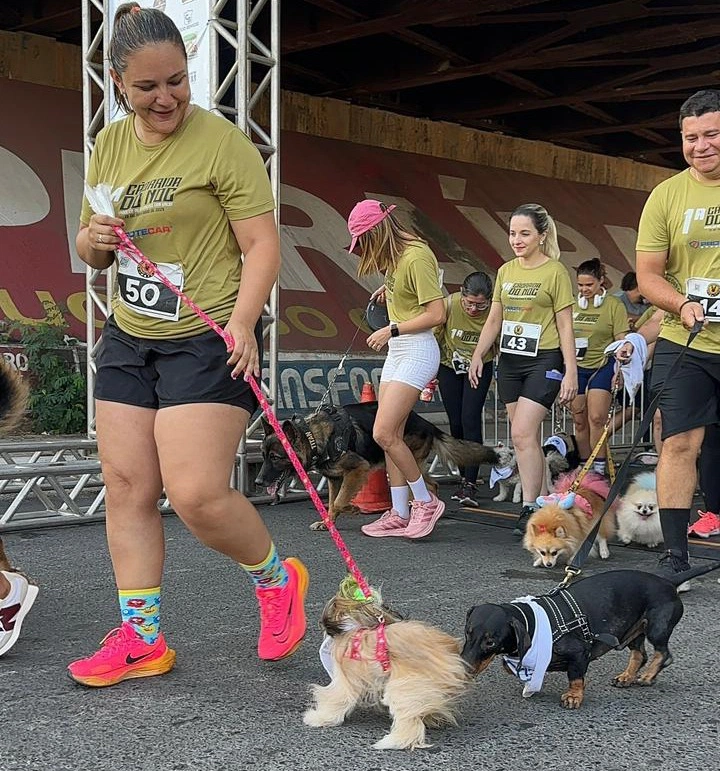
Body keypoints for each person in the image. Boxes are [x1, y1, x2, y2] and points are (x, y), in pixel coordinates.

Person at [67, 3, 307, 687]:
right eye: (147, 87)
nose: (166, 97)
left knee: (198, 492)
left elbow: (261, 243)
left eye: (176, 80)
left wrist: (244, 321)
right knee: (127, 485)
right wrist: (97, 241)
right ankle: (143, 639)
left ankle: (274, 579)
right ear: (118, 83)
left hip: (205, 335)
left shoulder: (221, 142)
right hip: (130, 335)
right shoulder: (109, 146)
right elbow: (88, 244)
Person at [636, 88, 720, 583]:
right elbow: (647, 275)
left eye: (711, 134)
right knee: (678, 442)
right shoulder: (666, 195)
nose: (700, 145)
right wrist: (682, 304)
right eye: (691, 138)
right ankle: (676, 556)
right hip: (686, 338)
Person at [468, 203, 578, 536]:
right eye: (513, 233)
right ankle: (546, 502)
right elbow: (494, 318)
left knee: (521, 434)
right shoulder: (506, 271)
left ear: (542, 236)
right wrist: (477, 354)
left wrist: (571, 371)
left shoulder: (555, 271)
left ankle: (530, 507)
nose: (517, 240)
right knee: (524, 439)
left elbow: (565, 325)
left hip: (544, 359)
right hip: (511, 362)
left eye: (524, 233)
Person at [346, 199, 447, 538]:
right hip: (401, 349)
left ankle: (425, 502)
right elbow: (410, 291)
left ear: (377, 233)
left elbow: (437, 313)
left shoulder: (416, 257)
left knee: (384, 433)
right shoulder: (398, 259)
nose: (362, 252)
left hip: (416, 349)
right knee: (392, 437)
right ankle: (400, 510)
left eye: (364, 242)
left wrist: (392, 329)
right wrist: (387, 290)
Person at [436, 271, 495, 507]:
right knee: (456, 422)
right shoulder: (448, 304)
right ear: (462, 294)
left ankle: (470, 481)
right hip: (449, 366)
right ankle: (463, 476)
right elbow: (435, 335)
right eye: (469, 303)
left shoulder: (494, 311)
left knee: (470, 418)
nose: (473, 310)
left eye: (481, 306)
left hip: (480, 366)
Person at [570, 258, 629, 476]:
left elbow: (622, 340)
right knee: (579, 420)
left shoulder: (614, 305)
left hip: (603, 366)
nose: (584, 290)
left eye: (589, 285)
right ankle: (585, 467)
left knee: (596, 418)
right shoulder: (571, 305)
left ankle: (600, 466)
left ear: (601, 282)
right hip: (576, 367)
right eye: (580, 285)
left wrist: (619, 371)